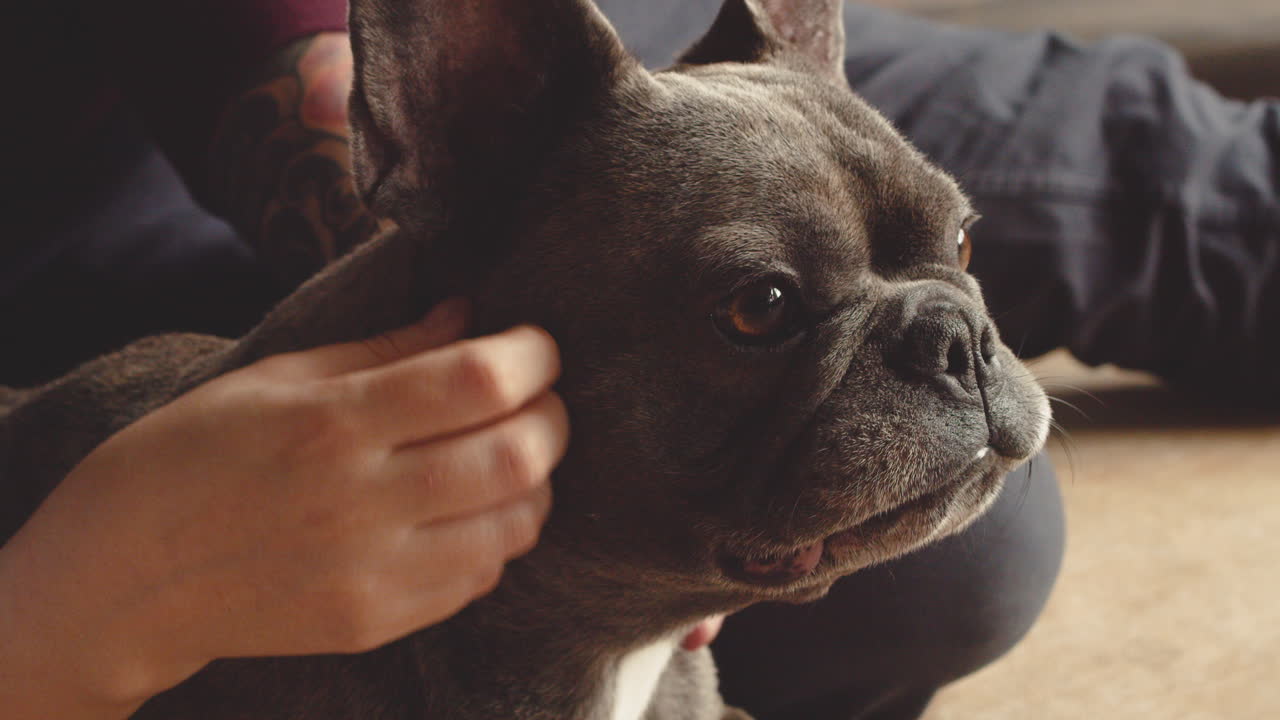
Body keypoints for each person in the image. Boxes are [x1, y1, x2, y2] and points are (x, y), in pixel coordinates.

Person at [0, 3, 1275, 720]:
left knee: (1202, 186)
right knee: (979, 559)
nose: (956, 347)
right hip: (132, 170)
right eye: (761, 312)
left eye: (957, 257)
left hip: (728, 66)